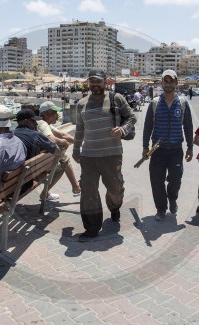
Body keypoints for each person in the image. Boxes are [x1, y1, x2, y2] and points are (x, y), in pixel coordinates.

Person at [73, 69, 136, 241]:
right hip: (88, 156)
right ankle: (92, 228)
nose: (95, 84)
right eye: (92, 81)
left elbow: (131, 117)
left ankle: (114, 207)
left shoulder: (116, 99)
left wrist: (122, 130)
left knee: (115, 189)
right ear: (88, 83)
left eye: (98, 81)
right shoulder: (82, 104)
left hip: (111, 154)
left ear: (105, 82)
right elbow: (79, 129)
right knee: (88, 192)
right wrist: (75, 149)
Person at [142, 69, 194, 220]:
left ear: (176, 83)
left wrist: (190, 147)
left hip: (176, 150)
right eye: (166, 81)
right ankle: (161, 209)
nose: (169, 84)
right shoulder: (155, 103)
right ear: (162, 82)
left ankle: (172, 198)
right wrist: (145, 147)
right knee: (156, 181)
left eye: (172, 81)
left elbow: (188, 126)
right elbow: (147, 127)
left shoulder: (183, 103)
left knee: (176, 179)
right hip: (157, 150)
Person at [38, 101, 81, 199]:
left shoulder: (46, 123)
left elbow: (62, 134)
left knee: (63, 159)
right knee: (64, 161)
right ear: (47, 114)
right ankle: (76, 188)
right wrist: (63, 142)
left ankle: (75, 188)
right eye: (55, 113)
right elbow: (51, 139)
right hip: (39, 165)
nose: (57, 116)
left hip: (41, 160)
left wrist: (79, 143)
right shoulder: (42, 124)